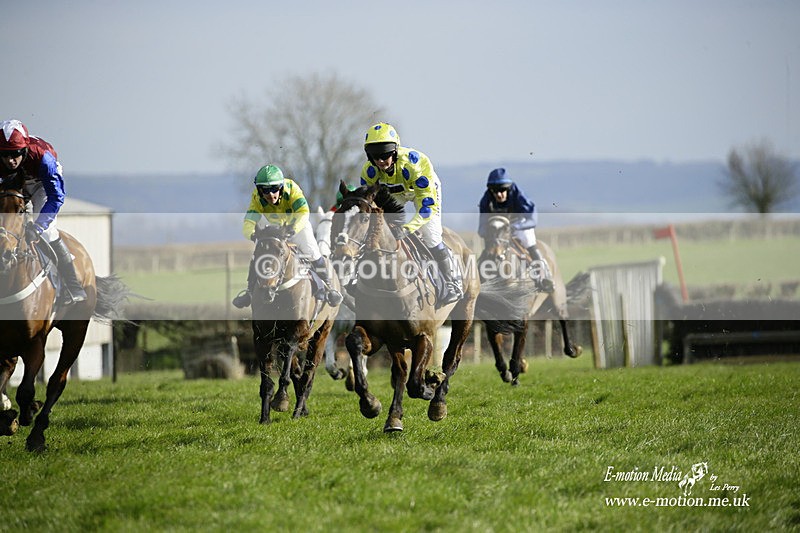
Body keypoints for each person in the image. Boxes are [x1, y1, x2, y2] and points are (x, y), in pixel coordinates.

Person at [360, 122, 463, 306]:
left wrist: (407, 229)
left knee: (431, 235)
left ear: (394, 152)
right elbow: (370, 206)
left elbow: (426, 208)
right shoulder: (369, 172)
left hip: (421, 192)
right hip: (394, 194)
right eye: (375, 156)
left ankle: (452, 282)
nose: (381, 161)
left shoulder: (415, 165)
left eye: (385, 155)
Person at [0, 119, 87, 305]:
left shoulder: (44, 159)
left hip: (42, 185)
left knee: (47, 232)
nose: (10, 160)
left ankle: (73, 286)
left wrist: (38, 227)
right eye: (5, 155)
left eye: (15, 154)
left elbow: (56, 197)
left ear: (24, 150)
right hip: (14, 185)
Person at [232, 164, 342, 309]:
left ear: (281, 187)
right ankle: (249, 292)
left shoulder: (292, 189)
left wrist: (293, 229)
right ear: (259, 190)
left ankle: (329, 288)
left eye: (274, 189)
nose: (270, 194)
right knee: (259, 253)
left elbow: (304, 213)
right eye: (265, 190)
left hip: (296, 226)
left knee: (312, 252)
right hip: (274, 228)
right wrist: (253, 235)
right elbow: (249, 221)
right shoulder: (257, 197)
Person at [478, 167, 554, 292]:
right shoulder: (486, 199)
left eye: (502, 191)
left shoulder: (519, 195)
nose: (498, 194)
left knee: (528, 240)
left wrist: (516, 227)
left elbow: (532, 220)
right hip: (498, 228)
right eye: (495, 192)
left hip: (519, 224)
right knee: (489, 248)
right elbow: (481, 227)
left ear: (508, 188)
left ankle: (544, 276)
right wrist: (487, 233)